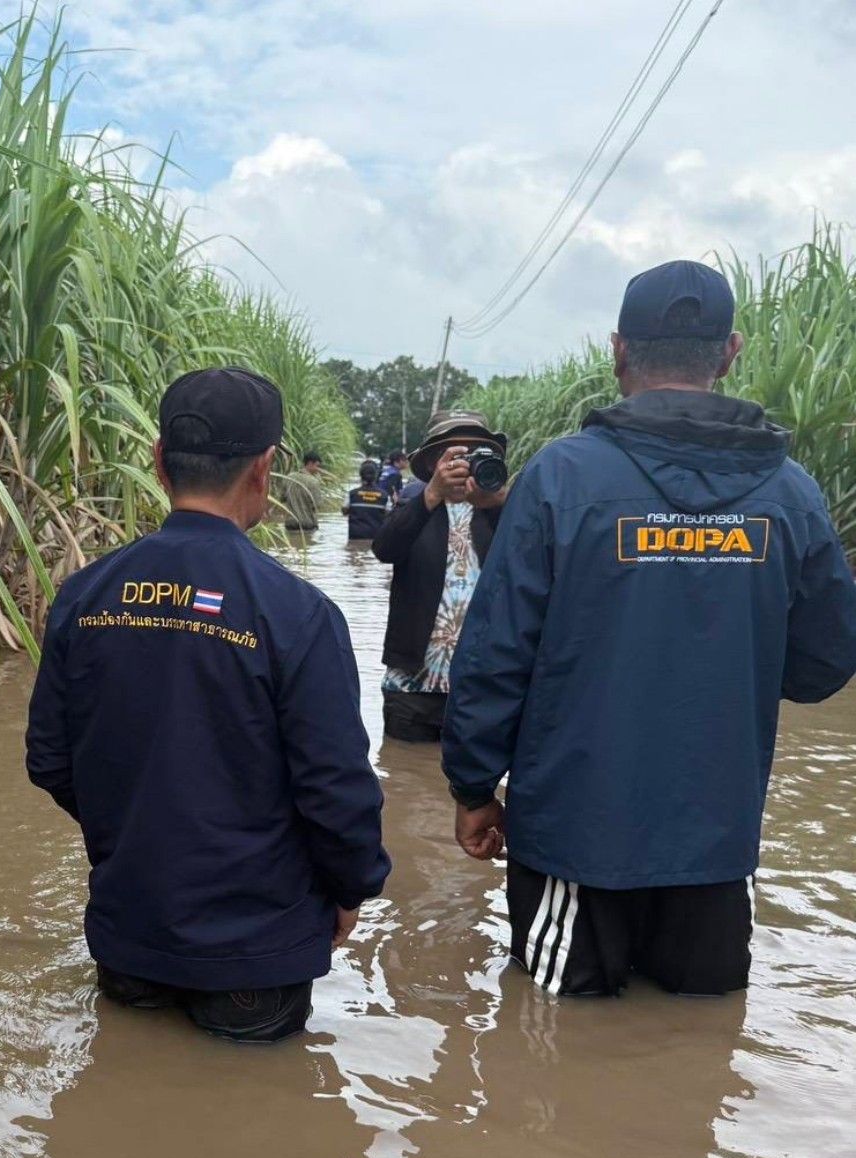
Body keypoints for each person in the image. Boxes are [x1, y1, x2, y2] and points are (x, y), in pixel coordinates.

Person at [442, 259, 856, 999]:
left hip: (576, 839)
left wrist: (474, 787)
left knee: (551, 1047)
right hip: (717, 843)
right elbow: (826, 661)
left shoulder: (560, 479)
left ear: (617, 351)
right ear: (730, 353)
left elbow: (494, 654)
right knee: (699, 1047)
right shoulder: (791, 493)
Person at [26, 367, 390, 1042]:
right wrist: (351, 887)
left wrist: (133, 828)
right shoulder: (297, 613)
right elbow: (335, 786)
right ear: (265, 467)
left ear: (159, 461)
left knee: (121, 1088)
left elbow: (49, 759)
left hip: (127, 935)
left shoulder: (85, 595)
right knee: (258, 1108)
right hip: (255, 954)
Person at [371, 411, 509, 743]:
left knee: (473, 776)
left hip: (481, 688)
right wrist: (431, 495)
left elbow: (533, 563)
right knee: (404, 772)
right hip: (411, 688)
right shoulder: (414, 504)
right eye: (455, 455)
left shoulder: (503, 511)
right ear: (434, 462)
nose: (465, 463)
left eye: (474, 453)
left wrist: (498, 505)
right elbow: (384, 549)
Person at [344, 458, 389, 540]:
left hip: (355, 534)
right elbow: (388, 514)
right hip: (376, 535)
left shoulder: (351, 494)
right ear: (376, 476)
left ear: (360, 476)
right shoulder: (384, 496)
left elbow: (344, 510)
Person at [282, 450, 324, 530]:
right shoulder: (313, 482)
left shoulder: (289, 477)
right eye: (317, 466)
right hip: (307, 524)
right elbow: (318, 505)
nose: (318, 469)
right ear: (310, 463)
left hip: (290, 524)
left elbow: (282, 498)